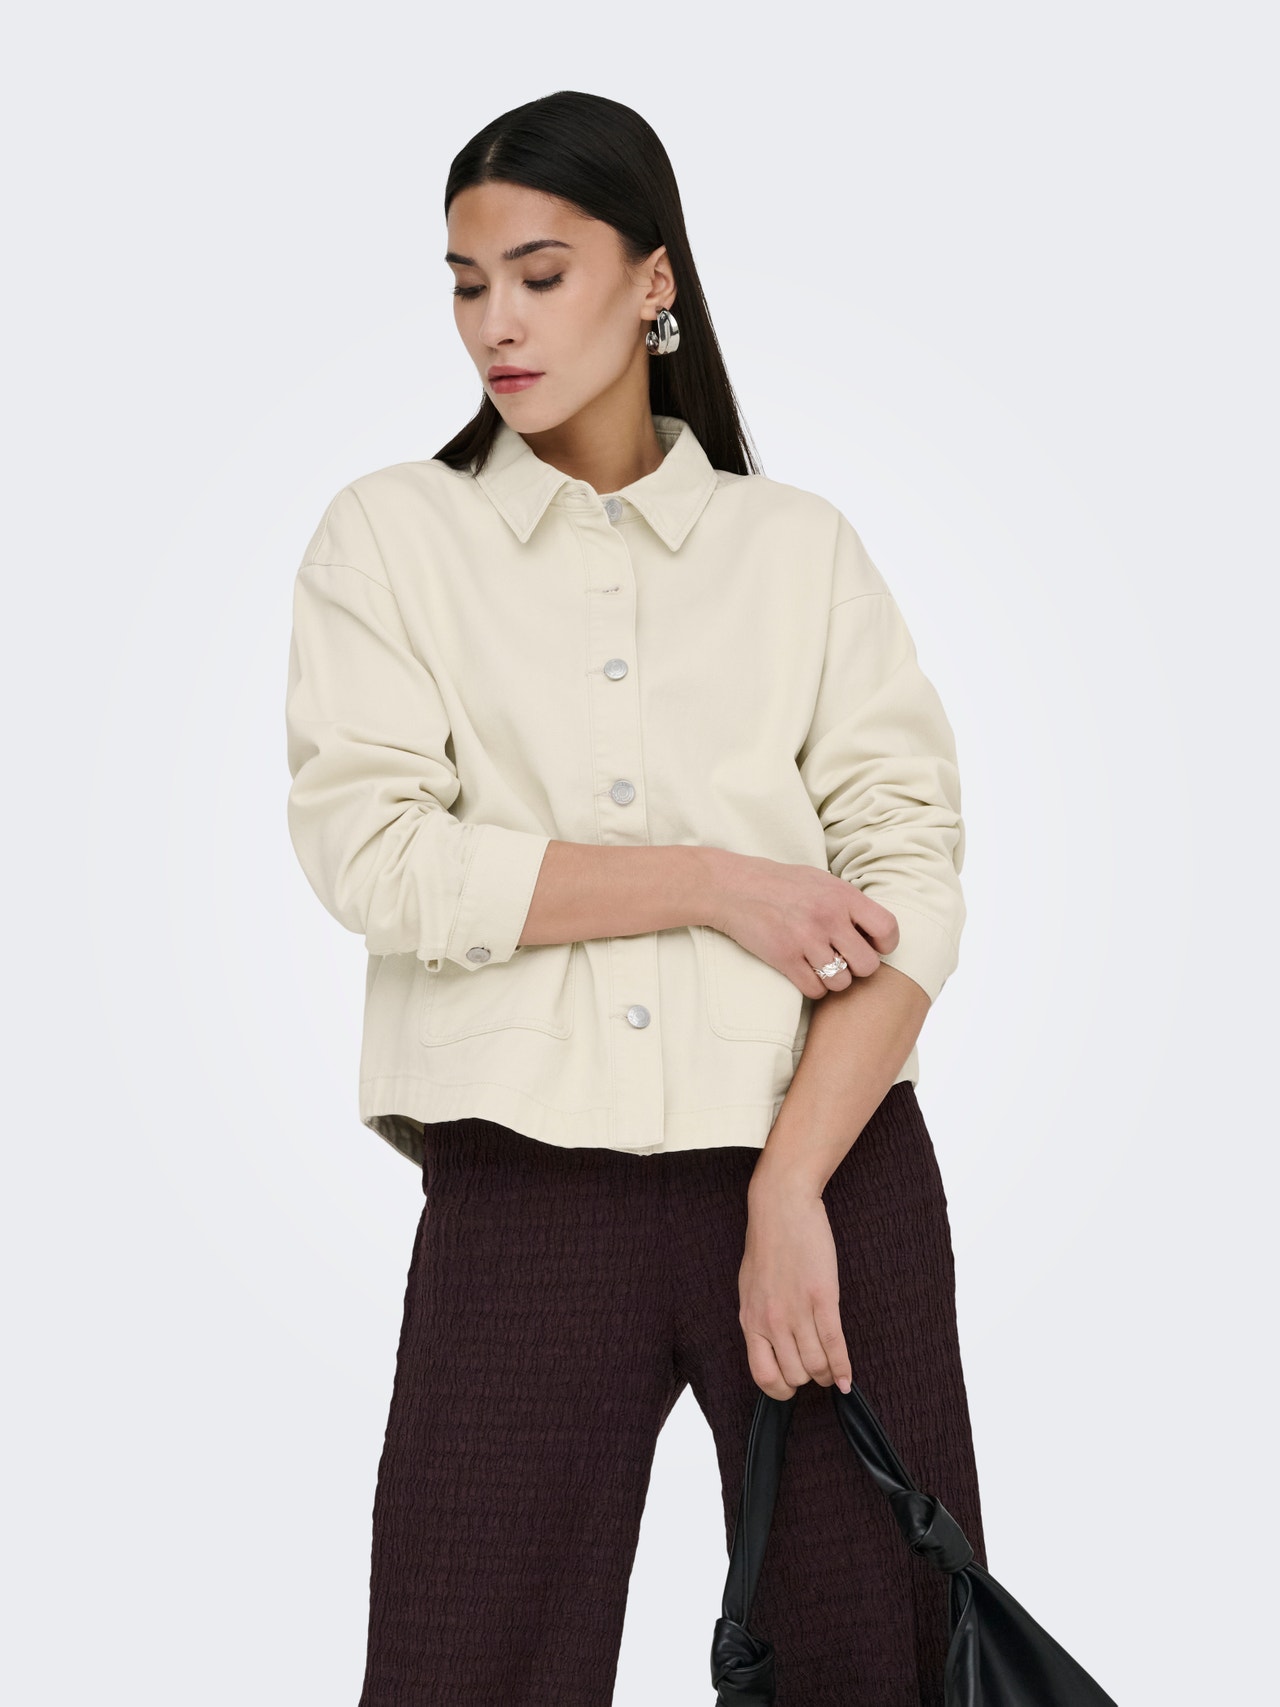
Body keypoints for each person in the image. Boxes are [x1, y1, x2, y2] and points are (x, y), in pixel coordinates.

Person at [285, 89, 986, 1707]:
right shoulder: (391, 539)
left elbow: (914, 880)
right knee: (462, 1666)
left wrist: (792, 1188)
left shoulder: (796, 551)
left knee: (882, 1659)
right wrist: (718, 885)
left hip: (828, 1167)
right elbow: (376, 859)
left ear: (653, 281)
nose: (498, 323)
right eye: (469, 283)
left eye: (541, 275)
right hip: (526, 1190)